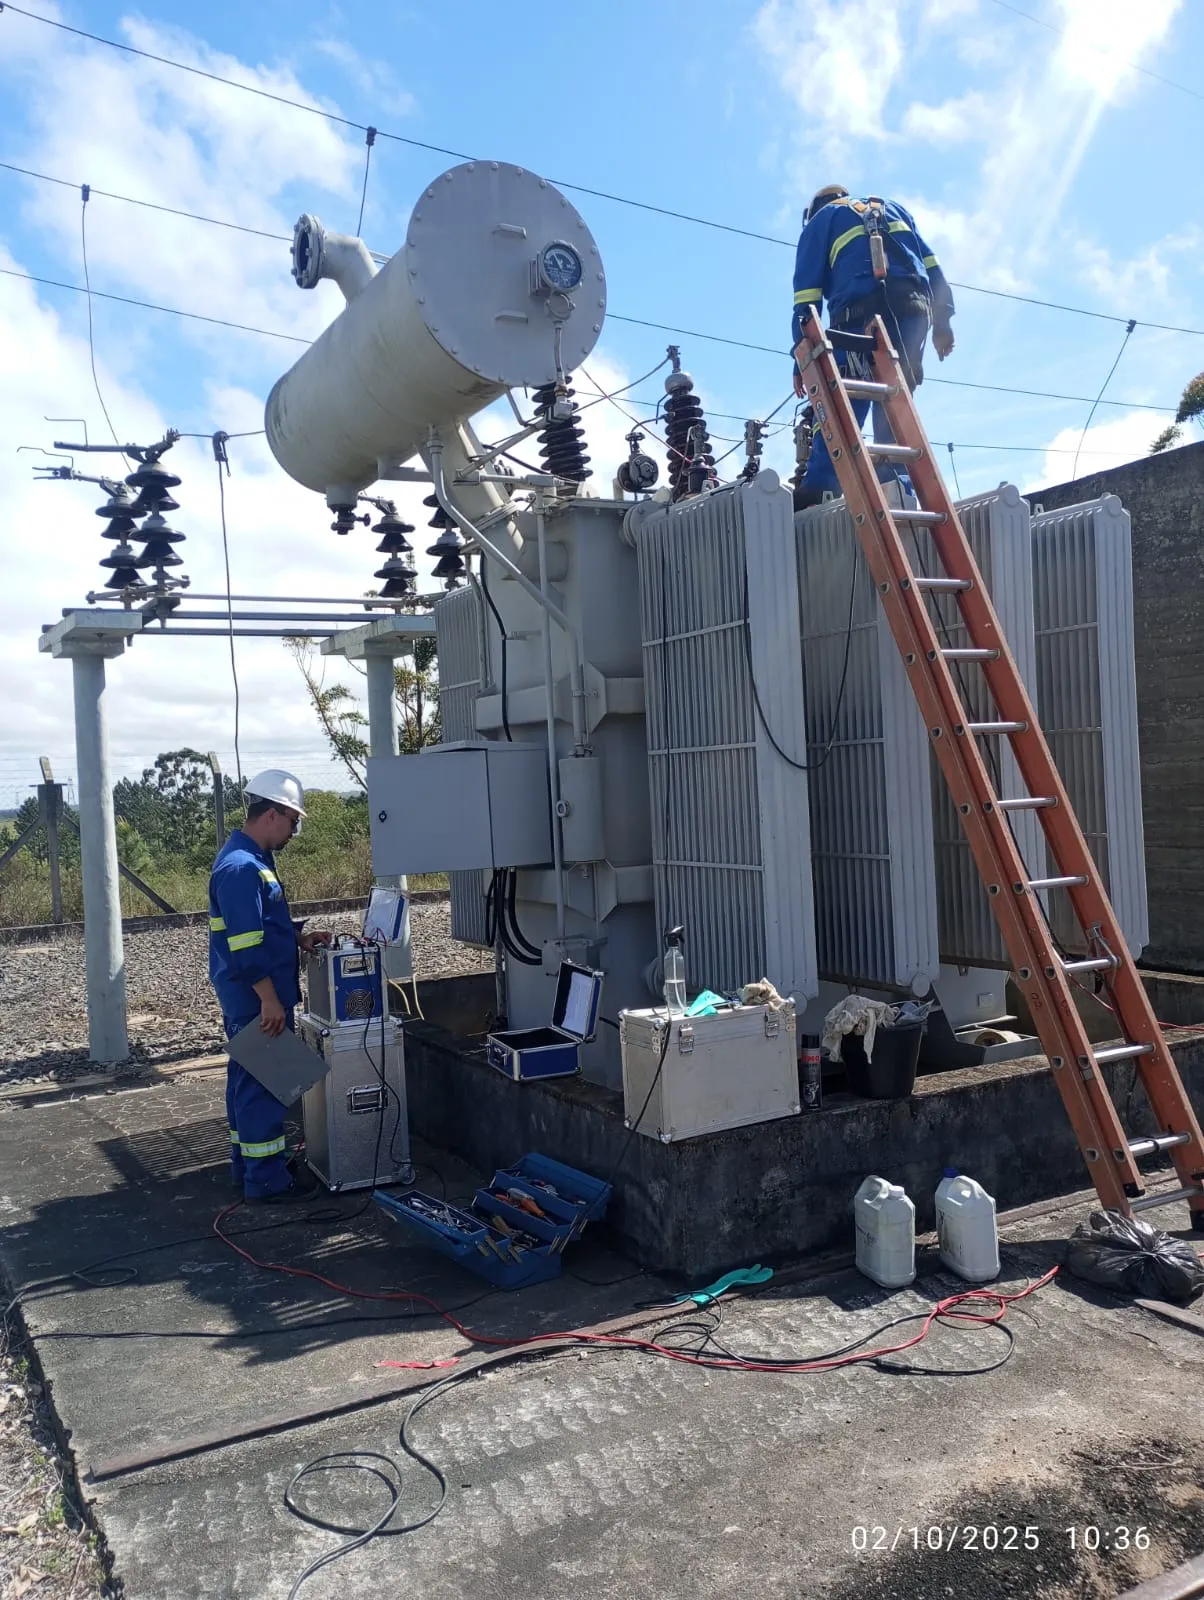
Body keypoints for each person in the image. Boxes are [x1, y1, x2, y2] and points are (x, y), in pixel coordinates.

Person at [790, 184, 955, 508]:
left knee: (842, 406)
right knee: (894, 405)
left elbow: (806, 300)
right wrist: (943, 323)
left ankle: (819, 488)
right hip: (913, 314)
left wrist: (802, 362)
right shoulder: (893, 208)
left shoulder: (822, 221)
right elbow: (932, 266)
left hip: (857, 320)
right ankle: (896, 487)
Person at [208, 769, 329, 1203]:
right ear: (273, 813)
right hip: (255, 1000)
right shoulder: (241, 868)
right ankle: (268, 1181)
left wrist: (298, 939)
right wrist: (270, 1002)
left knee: (247, 1081)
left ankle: (250, 1169)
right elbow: (245, 947)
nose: (294, 831)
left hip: (252, 997)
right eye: (293, 821)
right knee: (266, 1086)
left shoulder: (252, 859)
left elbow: (262, 924)